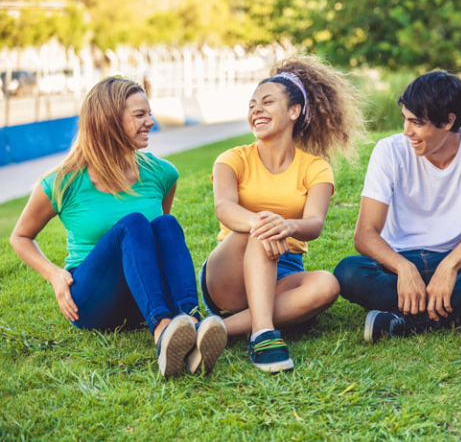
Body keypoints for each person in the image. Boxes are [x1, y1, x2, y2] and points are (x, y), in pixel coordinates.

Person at [9, 76, 227, 378]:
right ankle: (163, 331)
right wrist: (55, 275)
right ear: (108, 120)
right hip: (91, 301)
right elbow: (20, 236)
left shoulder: (162, 173)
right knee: (133, 224)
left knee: (165, 223)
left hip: (140, 299)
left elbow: (159, 245)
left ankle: (190, 321)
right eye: (140, 115)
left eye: (149, 114)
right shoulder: (63, 182)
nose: (151, 122)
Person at [333, 71, 461, 342]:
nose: (407, 131)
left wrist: (450, 266)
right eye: (405, 119)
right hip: (401, 261)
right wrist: (404, 268)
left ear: (448, 120)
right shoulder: (389, 150)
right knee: (348, 272)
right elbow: (365, 234)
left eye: (416, 122)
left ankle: (405, 322)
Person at [200, 56, 364, 373]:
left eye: (267, 102)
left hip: (284, 271)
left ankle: (218, 329)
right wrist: (265, 224)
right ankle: (263, 334)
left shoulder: (315, 167)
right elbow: (225, 209)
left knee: (328, 285)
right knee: (259, 228)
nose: (256, 110)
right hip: (229, 273)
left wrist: (286, 225)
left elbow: (314, 224)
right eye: (252, 105)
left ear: (294, 111)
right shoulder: (231, 159)